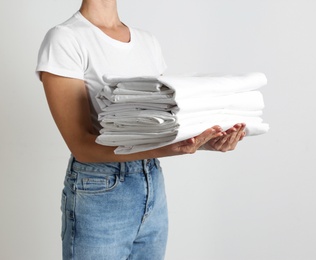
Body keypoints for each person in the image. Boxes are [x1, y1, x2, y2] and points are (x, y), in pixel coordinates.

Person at [36, 0, 246, 259]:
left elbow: (158, 122)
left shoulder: (147, 41)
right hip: (100, 188)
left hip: (152, 183)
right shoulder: (65, 38)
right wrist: (171, 148)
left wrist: (206, 140)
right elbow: (81, 146)